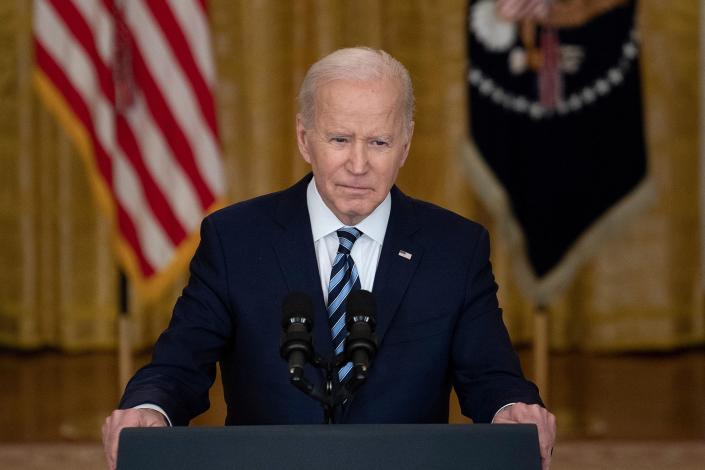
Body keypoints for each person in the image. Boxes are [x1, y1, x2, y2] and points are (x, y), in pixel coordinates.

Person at [102, 47, 556, 469]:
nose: (358, 165)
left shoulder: (455, 247)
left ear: (406, 143)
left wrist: (510, 409)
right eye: (340, 139)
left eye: (378, 142)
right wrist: (149, 410)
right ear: (305, 138)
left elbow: (491, 376)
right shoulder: (234, 239)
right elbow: (179, 364)